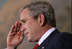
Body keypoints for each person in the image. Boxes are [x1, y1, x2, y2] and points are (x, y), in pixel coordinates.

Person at [7, 1, 72, 49]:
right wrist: (11, 47)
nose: (22, 29)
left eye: (24, 21)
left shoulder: (60, 40)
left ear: (41, 19)